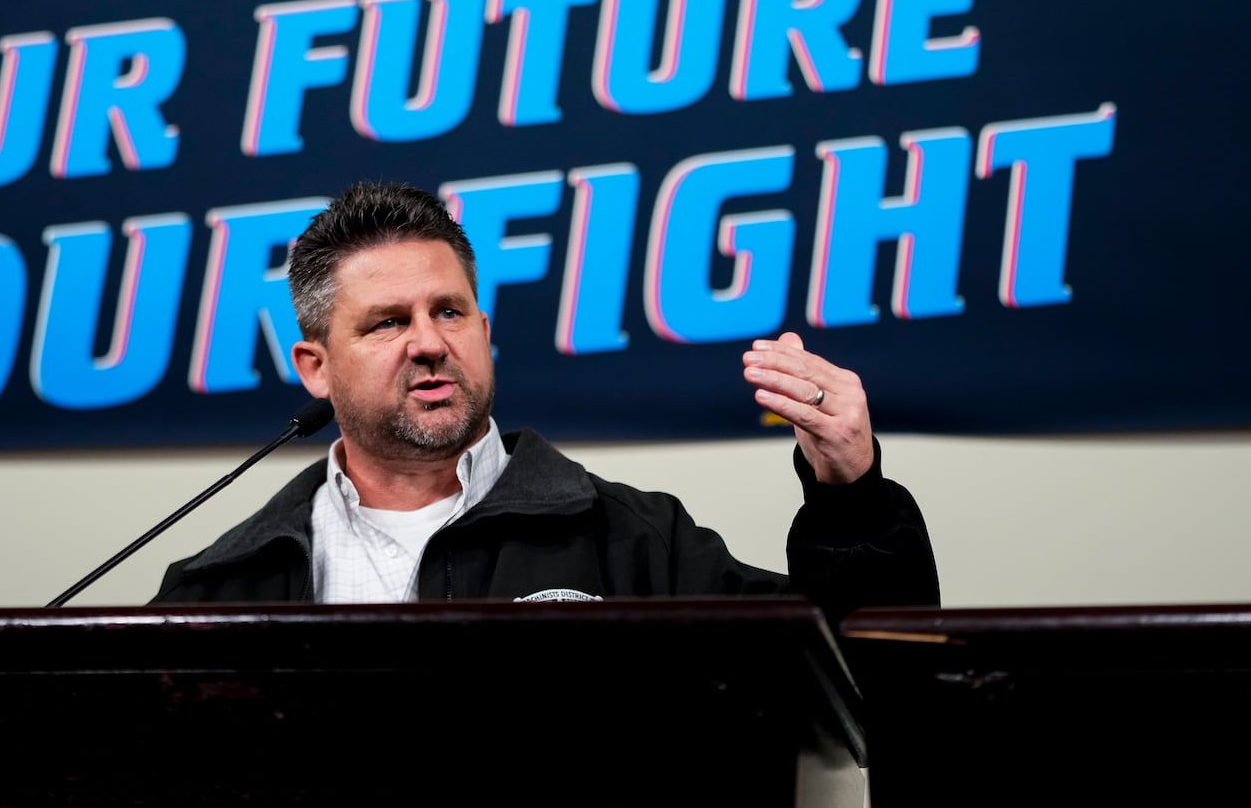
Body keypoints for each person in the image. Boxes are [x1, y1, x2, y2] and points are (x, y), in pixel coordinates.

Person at [152, 181, 939, 626]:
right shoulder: (219, 587)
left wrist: (852, 495)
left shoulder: (640, 543)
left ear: (484, 331)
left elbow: (858, 681)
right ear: (315, 368)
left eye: (448, 311)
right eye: (388, 322)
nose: (429, 341)